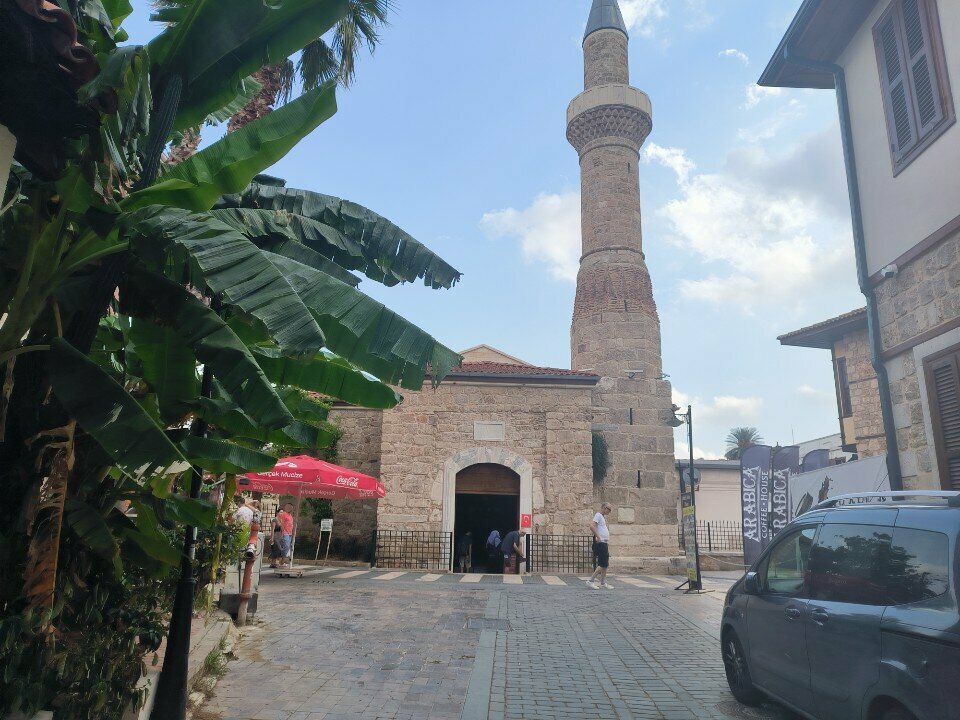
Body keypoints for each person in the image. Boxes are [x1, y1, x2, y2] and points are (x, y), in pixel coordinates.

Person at [586, 502, 613, 589]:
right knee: (602, 564)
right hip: (601, 543)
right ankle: (591, 581)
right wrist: (598, 536)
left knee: (605, 564)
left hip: (604, 543)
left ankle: (603, 582)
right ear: (604, 508)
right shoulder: (598, 515)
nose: (610, 511)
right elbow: (591, 526)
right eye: (609, 509)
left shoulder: (602, 517)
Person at [277, 502, 295, 567]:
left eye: (291, 507)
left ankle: (282, 559)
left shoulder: (290, 516)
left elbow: (291, 524)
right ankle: (282, 557)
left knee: (288, 546)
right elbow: (282, 524)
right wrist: (282, 534)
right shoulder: (284, 514)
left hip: (290, 533)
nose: (290, 508)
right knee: (286, 545)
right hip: (285, 532)